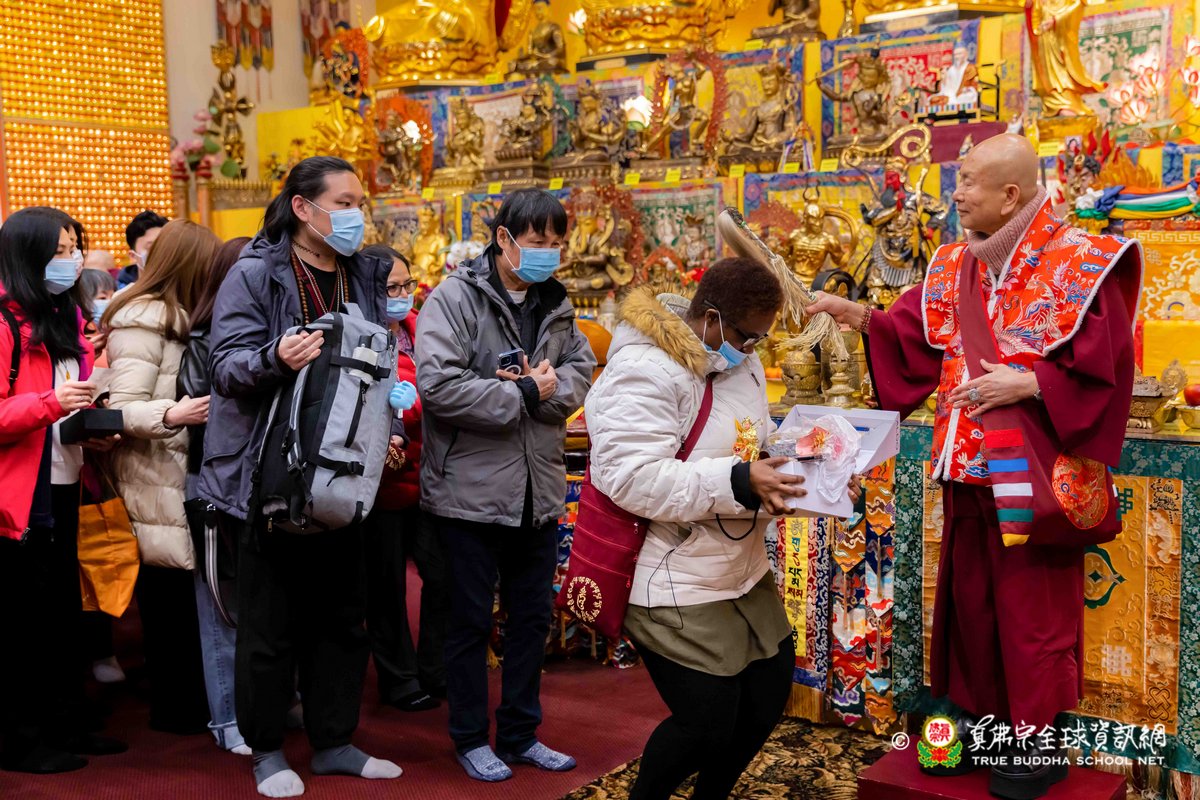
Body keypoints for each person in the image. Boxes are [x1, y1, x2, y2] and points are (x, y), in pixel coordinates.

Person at [808, 133, 1141, 800]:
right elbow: (912, 335)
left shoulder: (1082, 261)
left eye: (968, 182)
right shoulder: (954, 263)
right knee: (970, 607)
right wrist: (858, 315)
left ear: (1010, 194)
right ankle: (978, 723)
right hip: (965, 468)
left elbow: (1107, 367)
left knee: (1032, 614)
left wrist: (1033, 383)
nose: (955, 194)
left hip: (1034, 475)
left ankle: (1035, 738)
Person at [586, 260, 855, 800]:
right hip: (670, 570)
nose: (754, 349)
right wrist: (738, 480)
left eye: (762, 338)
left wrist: (801, 461)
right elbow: (629, 477)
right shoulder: (644, 370)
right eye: (748, 336)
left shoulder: (740, 361)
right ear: (711, 317)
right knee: (705, 722)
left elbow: (748, 439)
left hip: (738, 562)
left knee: (766, 692)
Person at [198, 156, 402, 798]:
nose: (356, 214)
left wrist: (391, 426)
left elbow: (379, 364)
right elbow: (224, 367)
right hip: (272, 470)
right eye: (344, 202)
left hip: (344, 468)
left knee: (343, 617)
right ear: (303, 208)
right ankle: (265, 749)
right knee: (270, 624)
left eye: (360, 202)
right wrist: (275, 357)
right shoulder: (256, 272)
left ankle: (334, 742)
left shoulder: (362, 271)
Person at [416, 188, 595, 782]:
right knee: (469, 623)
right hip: (468, 493)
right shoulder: (454, 299)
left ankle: (520, 733)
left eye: (557, 243)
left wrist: (542, 394)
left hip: (536, 490)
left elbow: (579, 372)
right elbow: (439, 388)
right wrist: (521, 392)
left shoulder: (555, 303)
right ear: (503, 239)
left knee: (531, 620)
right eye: (537, 242)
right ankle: (470, 737)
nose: (549, 253)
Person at [0, 206, 125, 774]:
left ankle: (64, 721)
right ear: (25, 256)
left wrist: (93, 426)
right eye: (58, 251)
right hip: (21, 493)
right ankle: (22, 741)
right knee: (24, 622)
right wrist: (51, 404)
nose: (71, 261)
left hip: (67, 475)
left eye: (74, 248)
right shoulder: (5, 323)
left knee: (61, 613)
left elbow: (72, 396)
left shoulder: (66, 318)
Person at [103, 219, 220, 736]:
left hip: (176, 469)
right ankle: (176, 709)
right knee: (167, 594)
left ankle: (191, 702)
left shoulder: (184, 316)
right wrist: (173, 414)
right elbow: (121, 408)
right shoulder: (143, 318)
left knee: (182, 593)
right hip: (153, 470)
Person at [360, 243, 448, 712]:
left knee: (441, 574)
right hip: (380, 485)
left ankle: (435, 668)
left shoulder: (421, 329)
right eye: (389, 288)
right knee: (386, 587)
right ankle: (399, 678)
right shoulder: (360, 336)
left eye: (405, 285)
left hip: (429, 477)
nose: (400, 296)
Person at [183, 234, 252, 754]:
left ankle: (269, 703)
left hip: (257, 480)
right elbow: (203, 415)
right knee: (221, 607)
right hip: (215, 481)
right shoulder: (205, 340)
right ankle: (228, 718)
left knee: (261, 604)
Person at [118, 210, 168, 289]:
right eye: (152, 248)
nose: (160, 252)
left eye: (165, 246)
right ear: (133, 256)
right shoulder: (119, 292)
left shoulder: (183, 288)